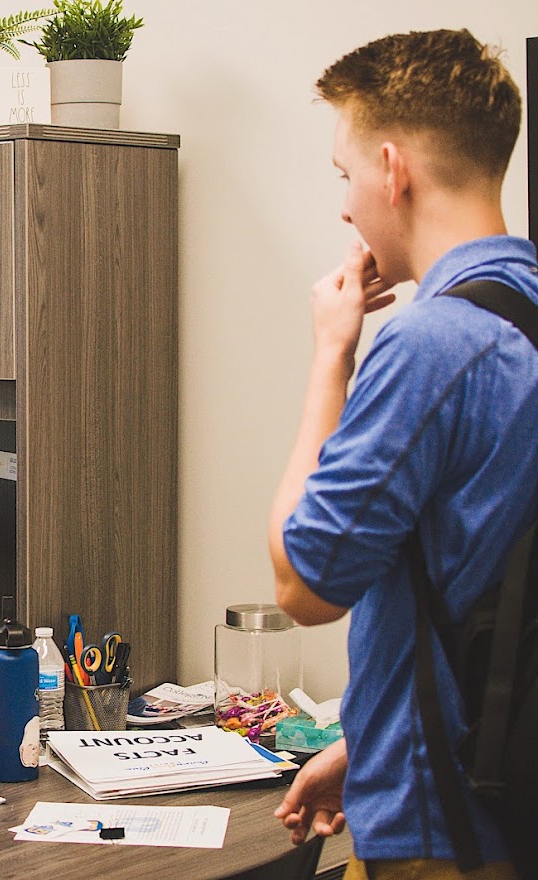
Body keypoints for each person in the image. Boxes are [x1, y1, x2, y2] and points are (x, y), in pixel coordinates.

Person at [269, 29, 537, 880]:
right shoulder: (521, 318)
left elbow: (303, 584)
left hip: (443, 831)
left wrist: (329, 356)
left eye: (345, 175)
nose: (346, 206)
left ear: (392, 169)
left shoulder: (431, 344)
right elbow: (485, 579)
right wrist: (366, 741)